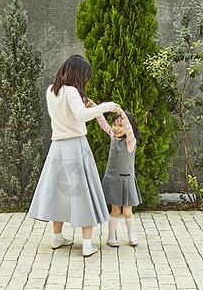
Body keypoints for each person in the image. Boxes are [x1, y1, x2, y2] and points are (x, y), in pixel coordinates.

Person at [27, 55, 121, 257]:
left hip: (57, 148)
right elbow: (80, 116)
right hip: (75, 147)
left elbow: (67, 113)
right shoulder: (71, 91)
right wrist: (107, 106)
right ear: (78, 73)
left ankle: (57, 237)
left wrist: (85, 102)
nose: (85, 80)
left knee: (59, 194)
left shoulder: (52, 90)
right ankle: (87, 244)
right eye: (85, 76)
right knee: (83, 195)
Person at [94, 108, 142, 247]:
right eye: (115, 125)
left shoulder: (130, 141)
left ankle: (131, 234)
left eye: (120, 125)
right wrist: (96, 108)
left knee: (127, 212)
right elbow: (103, 123)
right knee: (115, 211)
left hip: (126, 179)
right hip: (113, 179)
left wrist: (122, 115)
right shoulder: (113, 137)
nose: (116, 128)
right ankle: (111, 237)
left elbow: (129, 129)